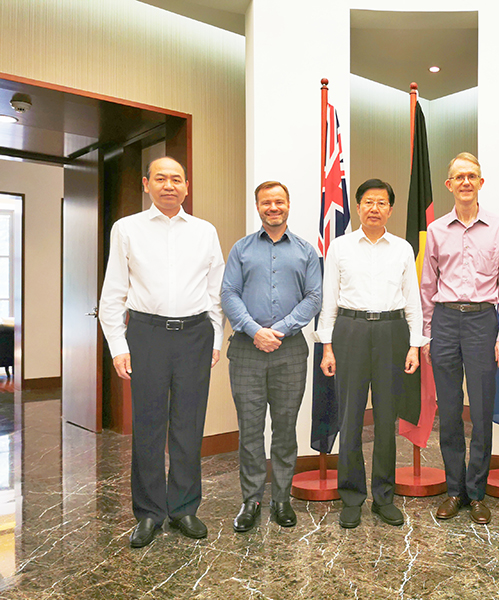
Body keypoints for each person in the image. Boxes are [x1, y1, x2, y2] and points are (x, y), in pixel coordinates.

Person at [99, 156, 224, 548]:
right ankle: (150, 513)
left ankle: (184, 508)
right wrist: (118, 345)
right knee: (149, 426)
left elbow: (215, 291)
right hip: (147, 334)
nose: (169, 185)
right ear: (146, 184)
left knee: (189, 424)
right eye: (161, 179)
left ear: (186, 186)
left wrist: (215, 339)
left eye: (176, 179)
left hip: (195, 335)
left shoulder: (205, 231)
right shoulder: (127, 229)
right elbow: (113, 292)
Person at [317, 178, 424, 529]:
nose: (374, 208)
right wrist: (327, 346)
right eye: (368, 202)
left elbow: (413, 300)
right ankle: (351, 497)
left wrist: (414, 345)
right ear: (358, 206)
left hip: (392, 332)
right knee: (350, 416)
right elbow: (329, 299)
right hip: (350, 330)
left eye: (381, 203)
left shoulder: (402, 249)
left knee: (385, 417)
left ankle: (383, 497)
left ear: (390, 209)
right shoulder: (340, 247)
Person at [420, 152, 499, 526]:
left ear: (481, 182)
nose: (465, 182)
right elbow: (427, 286)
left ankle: (476, 493)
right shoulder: (436, 230)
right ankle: (454, 490)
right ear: (449, 185)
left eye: (471, 176)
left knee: (480, 412)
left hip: (482, 322)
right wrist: (426, 335)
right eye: (458, 176)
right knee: (448, 412)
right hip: (445, 322)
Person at [221, 181, 322, 531]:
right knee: (250, 430)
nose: (273, 207)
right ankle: (251, 501)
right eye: (266, 202)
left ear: (288, 205)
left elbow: (314, 297)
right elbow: (229, 293)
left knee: (285, 428)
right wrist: (255, 331)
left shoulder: (306, 251)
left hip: (289, 350)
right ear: (258, 207)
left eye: (279, 201)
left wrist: (279, 329)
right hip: (247, 350)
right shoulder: (241, 249)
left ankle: (281, 499)